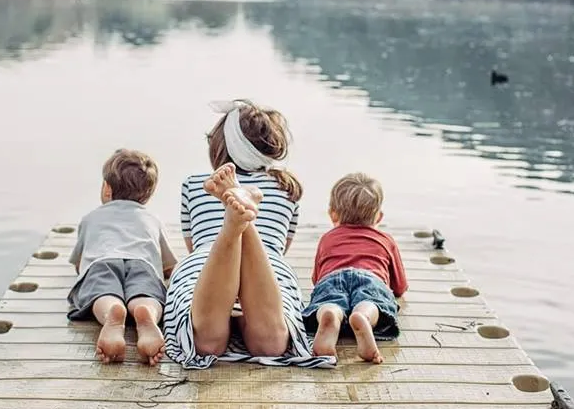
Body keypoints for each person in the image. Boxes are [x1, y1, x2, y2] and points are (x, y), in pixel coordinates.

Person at [162, 100, 335, 369]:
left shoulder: (196, 184)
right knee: (271, 345)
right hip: (268, 264)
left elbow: (193, 244)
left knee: (206, 343)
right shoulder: (286, 188)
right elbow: (282, 248)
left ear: (220, 145)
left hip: (206, 260)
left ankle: (234, 227)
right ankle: (245, 223)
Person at [66, 148, 177, 366]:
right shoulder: (152, 219)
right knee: (147, 291)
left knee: (102, 291)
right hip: (142, 263)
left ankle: (112, 313)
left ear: (107, 189)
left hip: (102, 262)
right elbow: (168, 266)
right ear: (148, 195)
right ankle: (146, 314)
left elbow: (79, 265)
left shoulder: (91, 218)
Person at [302, 173, 408, 364]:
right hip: (371, 278)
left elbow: (317, 280)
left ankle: (331, 313)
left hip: (332, 278)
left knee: (329, 300)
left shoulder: (327, 238)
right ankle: (364, 315)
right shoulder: (385, 240)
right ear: (379, 216)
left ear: (332, 213)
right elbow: (399, 286)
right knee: (373, 302)